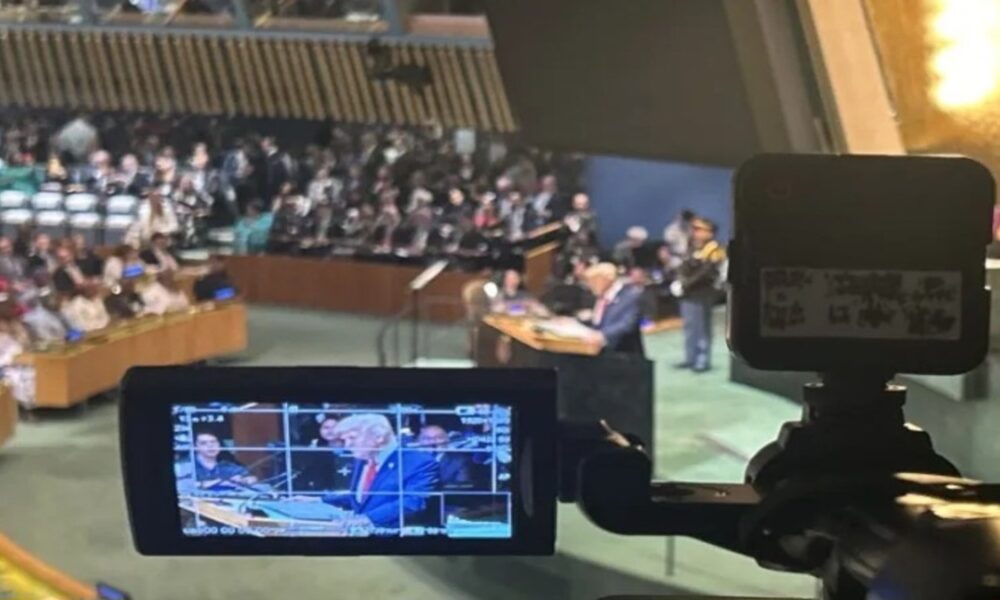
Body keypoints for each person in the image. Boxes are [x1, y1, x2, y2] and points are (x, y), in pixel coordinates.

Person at [321, 413, 439, 529]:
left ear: (379, 437)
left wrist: (368, 519)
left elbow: (413, 502)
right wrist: (321, 500)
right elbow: (364, 498)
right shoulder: (363, 458)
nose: (347, 445)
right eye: (345, 439)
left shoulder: (418, 462)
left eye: (353, 438)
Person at [673, 217, 726, 373]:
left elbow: (706, 272)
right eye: (694, 229)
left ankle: (702, 360)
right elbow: (683, 266)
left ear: (709, 232)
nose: (695, 232)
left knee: (702, 327)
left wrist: (686, 284)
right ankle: (690, 358)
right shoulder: (692, 246)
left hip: (703, 293)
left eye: (699, 229)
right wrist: (680, 280)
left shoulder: (714, 249)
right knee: (690, 327)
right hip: (688, 294)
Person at [581, 262, 645, 356]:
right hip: (600, 353)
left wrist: (602, 335)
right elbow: (598, 323)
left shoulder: (631, 296)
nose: (590, 286)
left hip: (624, 356)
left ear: (606, 279)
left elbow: (627, 325)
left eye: (593, 281)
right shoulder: (601, 298)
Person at [294, 416, 351, 493]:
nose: (330, 431)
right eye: (326, 428)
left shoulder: (351, 448)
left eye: (334, 427)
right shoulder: (317, 451)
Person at [191, 432, 258, 489]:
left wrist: (242, 480)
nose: (210, 446)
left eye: (213, 442)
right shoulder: (188, 465)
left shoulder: (227, 465)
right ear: (195, 447)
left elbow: (253, 478)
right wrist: (218, 482)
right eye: (203, 443)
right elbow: (186, 485)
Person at [417, 424, 473, 489]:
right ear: (419, 441)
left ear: (447, 440)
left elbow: (462, 488)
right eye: (427, 438)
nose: (432, 442)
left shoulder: (460, 460)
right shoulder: (410, 460)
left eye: (438, 438)